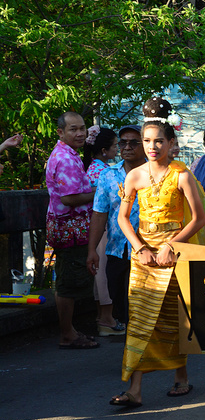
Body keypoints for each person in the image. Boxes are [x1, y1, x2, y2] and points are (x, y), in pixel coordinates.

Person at [110, 98, 205, 408]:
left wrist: (170, 245)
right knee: (140, 320)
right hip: (143, 259)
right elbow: (122, 218)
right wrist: (140, 247)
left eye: (159, 141)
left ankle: (181, 377)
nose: (152, 146)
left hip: (172, 257)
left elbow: (199, 218)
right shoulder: (134, 176)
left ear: (171, 143)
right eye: (147, 141)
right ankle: (135, 390)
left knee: (170, 319)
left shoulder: (181, 174)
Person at [46, 111, 99, 349]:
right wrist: (100, 192)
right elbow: (69, 199)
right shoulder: (65, 158)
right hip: (69, 227)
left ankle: (71, 331)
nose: (80, 133)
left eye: (82, 128)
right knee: (67, 281)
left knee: (69, 277)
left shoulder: (69, 154)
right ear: (61, 132)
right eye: (73, 129)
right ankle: (67, 333)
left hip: (70, 226)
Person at [87, 125, 146, 326]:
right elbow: (99, 213)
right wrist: (92, 250)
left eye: (133, 143)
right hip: (117, 250)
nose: (127, 147)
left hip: (148, 251)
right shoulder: (108, 175)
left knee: (141, 310)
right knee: (120, 307)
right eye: (123, 142)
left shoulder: (157, 174)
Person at [82, 126, 124, 336]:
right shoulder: (104, 172)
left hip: (102, 226)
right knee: (104, 274)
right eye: (116, 145)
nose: (118, 149)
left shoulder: (95, 167)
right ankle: (107, 318)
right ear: (104, 150)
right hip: (106, 227)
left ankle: (104, 317)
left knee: (101, 275)